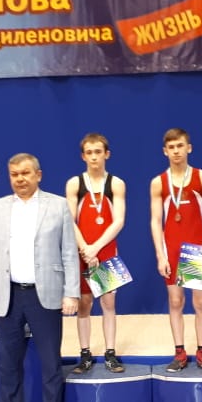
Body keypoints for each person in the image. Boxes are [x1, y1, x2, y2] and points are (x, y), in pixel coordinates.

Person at [0, 154, 81, 402]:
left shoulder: (58, 206)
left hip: (45, 294)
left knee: (50, 361)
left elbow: (69, 253)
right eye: (14, 175)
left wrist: (71, 293)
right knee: (7, 363)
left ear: (38, 175)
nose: (20, 179)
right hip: (8, 296)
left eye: (25, 173)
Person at [150, 128, 202, 372]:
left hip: (195, 248)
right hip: (171, 248)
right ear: (165, 151)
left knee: (200, 302)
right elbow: (155, 221)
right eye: (171, 147)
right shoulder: (159, 182)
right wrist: (160, 254)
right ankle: (179, 353)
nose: (176, 151)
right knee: (175, 301)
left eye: (180, 146)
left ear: (189, 148)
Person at [65, 133, 127, 374]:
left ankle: (110, 353)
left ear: (106, 154)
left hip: (106, 250)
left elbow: (118, 221)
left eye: (98, 152)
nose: (93, 157)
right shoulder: (74, 184)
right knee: (84, 304)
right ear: (83, 156)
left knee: (108, 302)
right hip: (82, 251)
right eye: (89, 152)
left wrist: (95, 248)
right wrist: (85, 248)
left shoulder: (116, 184)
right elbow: (70, 220)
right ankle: (85, 354)